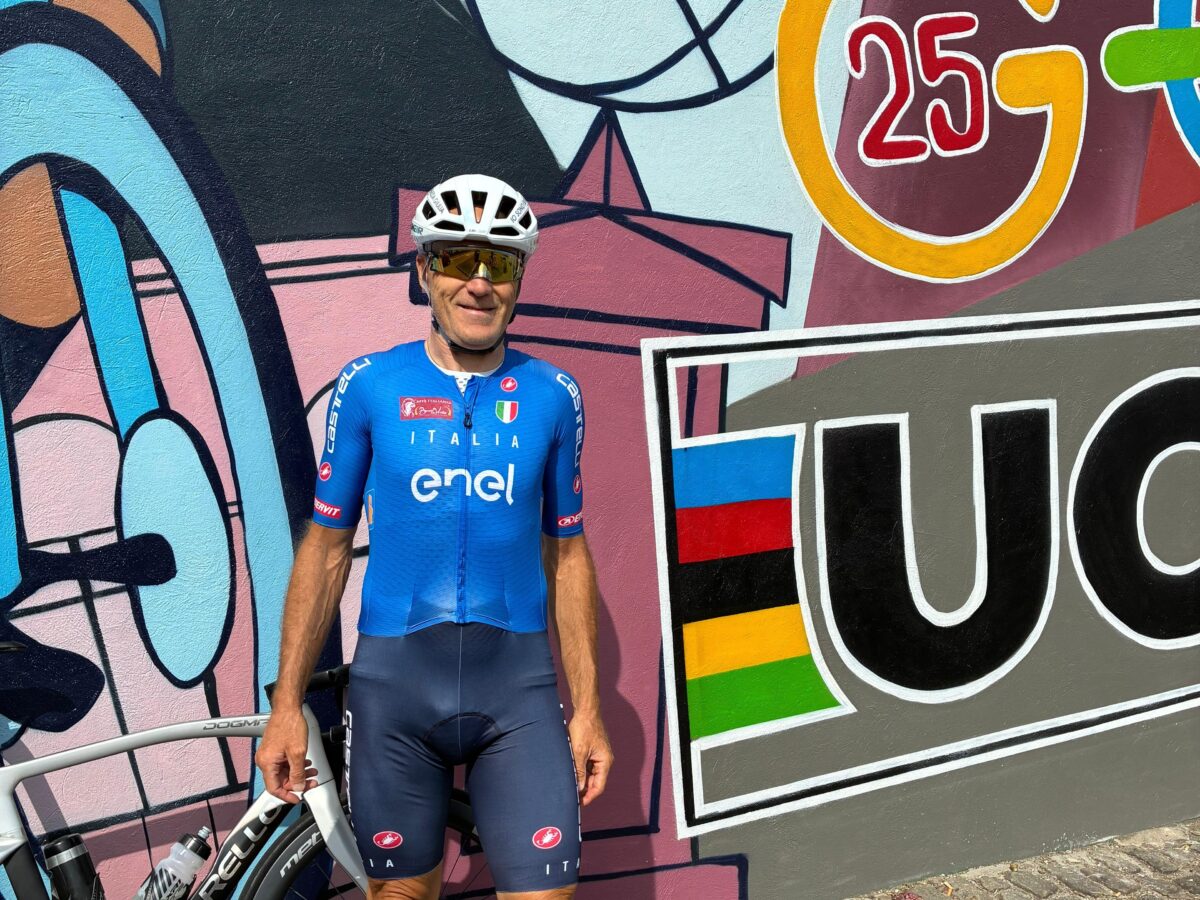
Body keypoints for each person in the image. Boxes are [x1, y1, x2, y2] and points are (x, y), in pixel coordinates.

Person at [255, 173, 612, 900]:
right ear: (424, 270)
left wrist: (590, 710)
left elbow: (568, 555)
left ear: (519, 278)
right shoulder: (369, 386)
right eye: (457, 259)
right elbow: (326, 549)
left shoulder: (554, 395)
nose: (479, 282)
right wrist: (286, 705)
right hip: (395, 696)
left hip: (518, 694)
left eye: (499, 263)